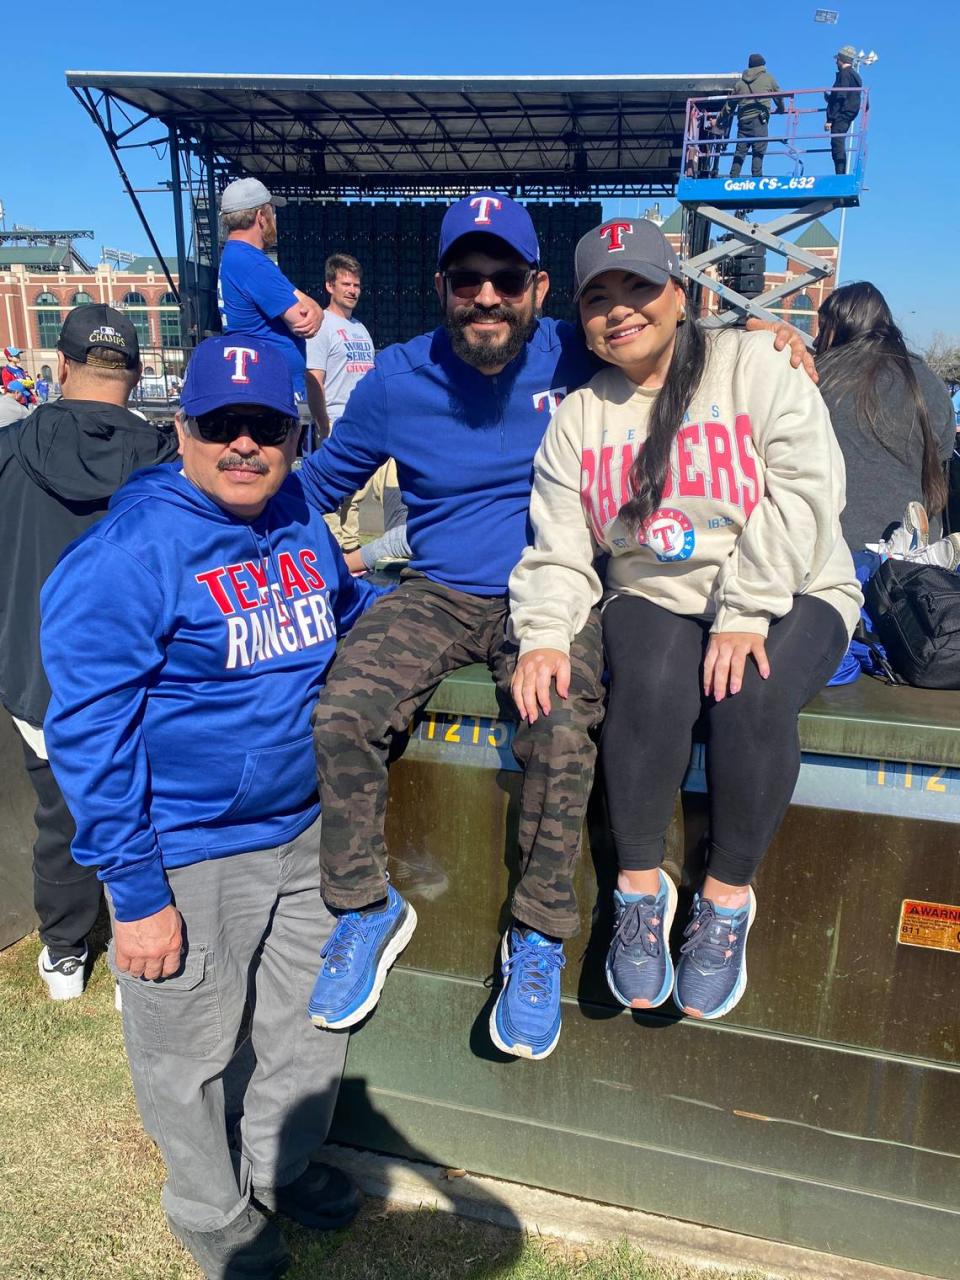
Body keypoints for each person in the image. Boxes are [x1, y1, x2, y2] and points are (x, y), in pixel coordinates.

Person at [297, 193, 818, 1061]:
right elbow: (314, 492)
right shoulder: (395, 378)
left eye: (506, 278)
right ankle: (363, 907)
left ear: (538, 288)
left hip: (558, 592)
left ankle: (536, 935)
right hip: (439, 592)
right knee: (340, 712)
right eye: (469, 280)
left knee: (562, 727)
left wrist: (774, 342)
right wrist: (251, 550)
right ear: (443, 287)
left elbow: (670, 341)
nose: (488, 297)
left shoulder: (579, 347)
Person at [40, 336, 378, 1279]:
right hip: (185, 849)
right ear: (180, 428)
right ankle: (207, 1203)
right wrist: (136, 892)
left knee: (308, 1026)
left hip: (306, 831)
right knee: (185, 1050)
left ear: (294, 435)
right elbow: (88, 733)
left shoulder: (300, 515)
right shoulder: (131, 550)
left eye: (264, 426)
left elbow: (342, 612)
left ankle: (278, 1167)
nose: (243, 445)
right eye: (220, 424)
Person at [509, 217, 861, 1024]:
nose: (620, 309)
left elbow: (807, 492)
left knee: (751, 694)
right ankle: (639, 890)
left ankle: (726, 899)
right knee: (652, 682)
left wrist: (746, 610)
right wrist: (545, 635)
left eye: (640, 286)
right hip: (658, 590)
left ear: (682, 293)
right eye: (599, 296)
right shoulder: (577, 419)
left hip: (794, 582)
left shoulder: (759, 365)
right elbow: (561, 549)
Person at [0, 304, 178, 1000]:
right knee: (154, 805)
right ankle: (160, 919)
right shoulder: (169, 459)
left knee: (60, 816)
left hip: (40, 675)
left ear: (62, 368)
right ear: (132, 378)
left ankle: (67, 955)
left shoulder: (9, 449)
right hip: (147, 676)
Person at [815, 283, 955, 560]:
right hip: (914, 564)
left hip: (830, 552)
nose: (817, 340)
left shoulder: (820, 376)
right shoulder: (931, 384)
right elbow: (941, 467)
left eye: (822, 329)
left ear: (839, 326)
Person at [216, 177, 324, 406]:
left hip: (259, 383)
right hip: (273, 388)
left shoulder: (237, 257)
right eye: (272, 212)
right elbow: (302, 321)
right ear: (260, 217)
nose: (275, 219)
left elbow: (298, 298)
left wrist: (315, 307)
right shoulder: (253, 264)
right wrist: (314, 309)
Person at [305, 253, 385, 554]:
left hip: (362, 426)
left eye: (357, 285)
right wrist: (323, 424)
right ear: (330, 286)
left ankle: (350, 557)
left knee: (356, 499)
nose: (352, 290)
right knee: (331, 499)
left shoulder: (360, 329)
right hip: (336, 424)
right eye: (346, 284)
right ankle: (328, 557)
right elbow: (314, 379)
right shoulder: (322, 326)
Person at [726, 54, 785, 179]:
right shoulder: (768, 78)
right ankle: (757, 178)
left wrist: (718, 121)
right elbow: (779, 97)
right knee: (758, 151)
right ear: (762, 65)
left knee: (740, 151)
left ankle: (733, 177)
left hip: (743, 122)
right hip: (759, 120)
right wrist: (781, 109)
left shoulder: (740, 84)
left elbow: (729, 106)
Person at [825, 46, 863, 175]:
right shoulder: (854, 75)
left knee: (837, 142)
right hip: (849, 111)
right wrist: (830, 99)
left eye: (837, 59)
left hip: (842, 113)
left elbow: (841, 96)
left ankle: (840, 174)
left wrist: (830, 118)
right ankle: (840, 173)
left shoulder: (844, 74)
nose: (836, 62)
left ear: (841, 60)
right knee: (839, 141)